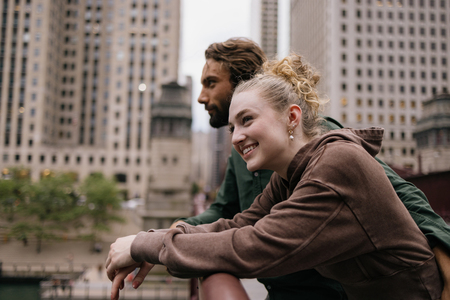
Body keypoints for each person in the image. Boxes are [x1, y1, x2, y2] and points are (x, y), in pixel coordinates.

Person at [106, 53, 444, 299]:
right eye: (233, 126)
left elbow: (251, 246)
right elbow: (239, 224)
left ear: (292, 117)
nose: (236, 137)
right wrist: (159, 236)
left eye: (248, 120)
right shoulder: (291, 174)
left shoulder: (335, 164)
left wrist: (144, 246)